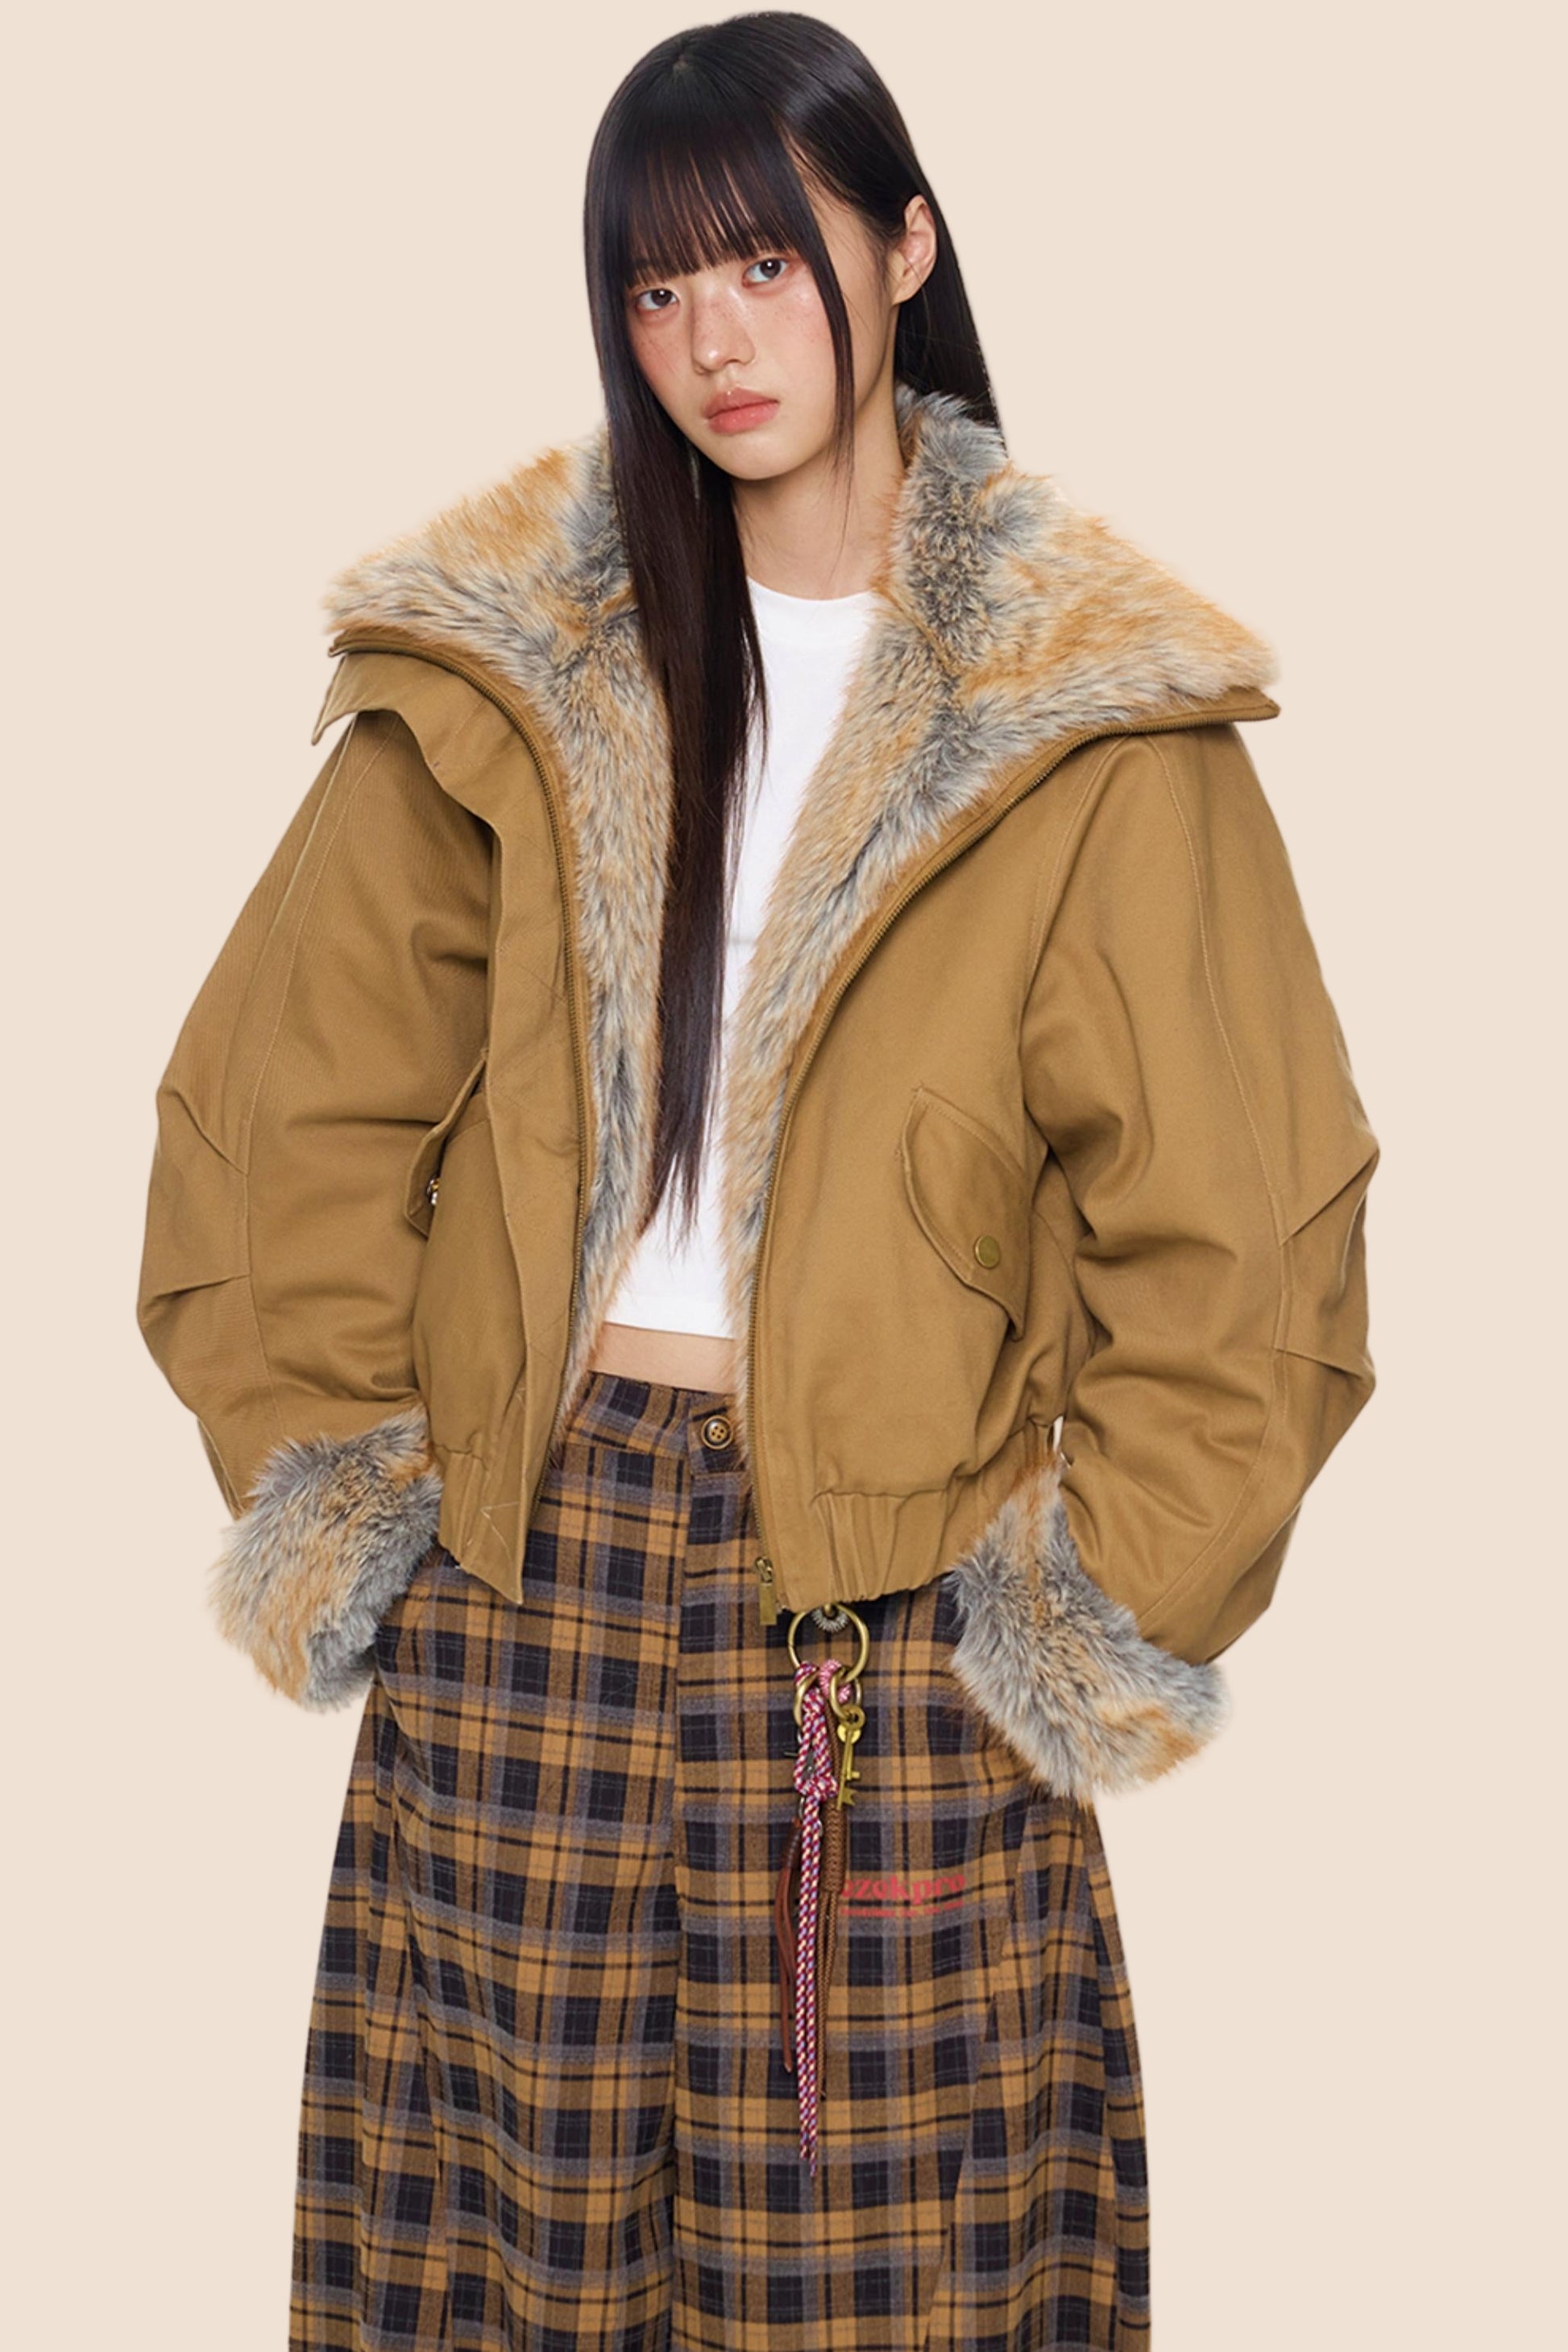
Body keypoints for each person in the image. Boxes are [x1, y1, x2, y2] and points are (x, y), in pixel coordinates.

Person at [135, 13, 1379, 2346]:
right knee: (492, 2268)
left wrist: (1070, 1602)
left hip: (889, 1612)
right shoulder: (505, 672)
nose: (712, 338)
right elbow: (273, 1115)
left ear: (902, 248)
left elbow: (1250, 1227)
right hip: (525, 1566)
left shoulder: (1089, 719)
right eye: (653, 285)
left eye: (764, 264)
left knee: (890, 2276)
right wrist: (363, 1495)